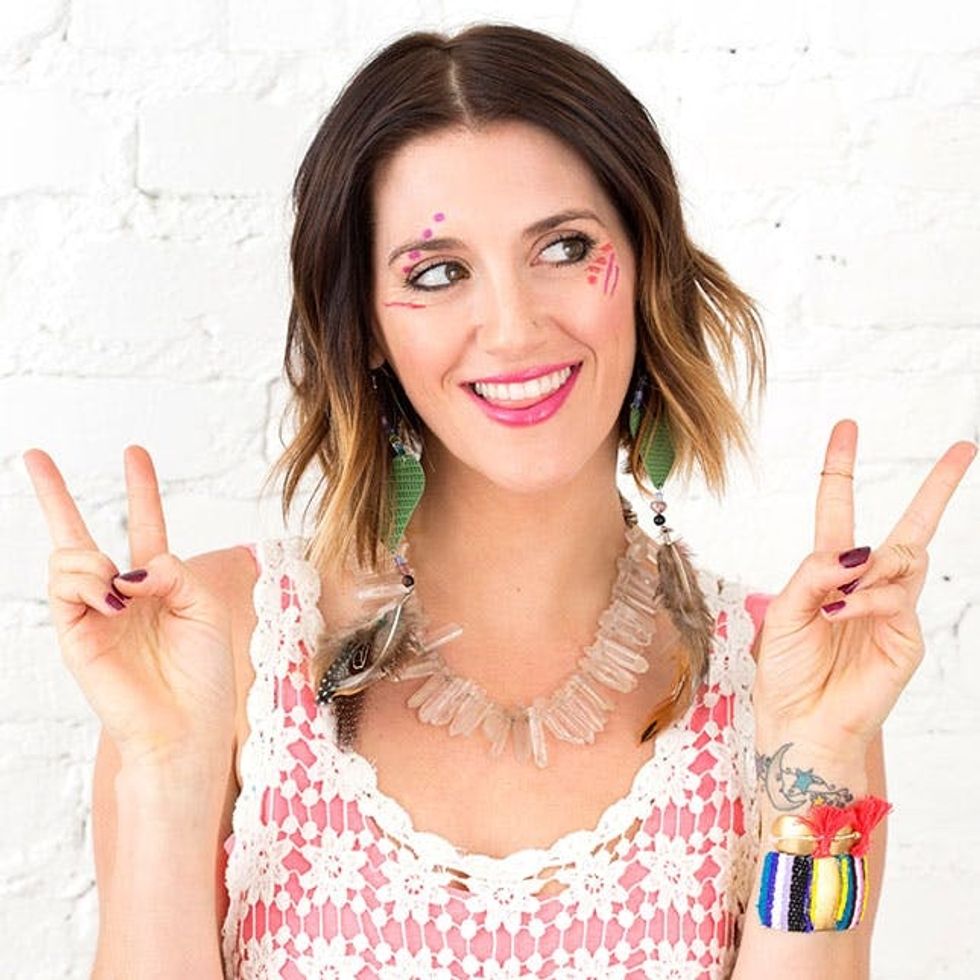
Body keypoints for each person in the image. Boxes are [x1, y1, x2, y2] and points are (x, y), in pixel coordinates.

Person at [23, 23, 975, 980]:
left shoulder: (791, 680)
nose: (514, 328)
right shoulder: (214, 646)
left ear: (646, 272)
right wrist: (165, 779)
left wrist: (820, 769)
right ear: (365, 326)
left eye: (564, 248)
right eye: (438, 273)